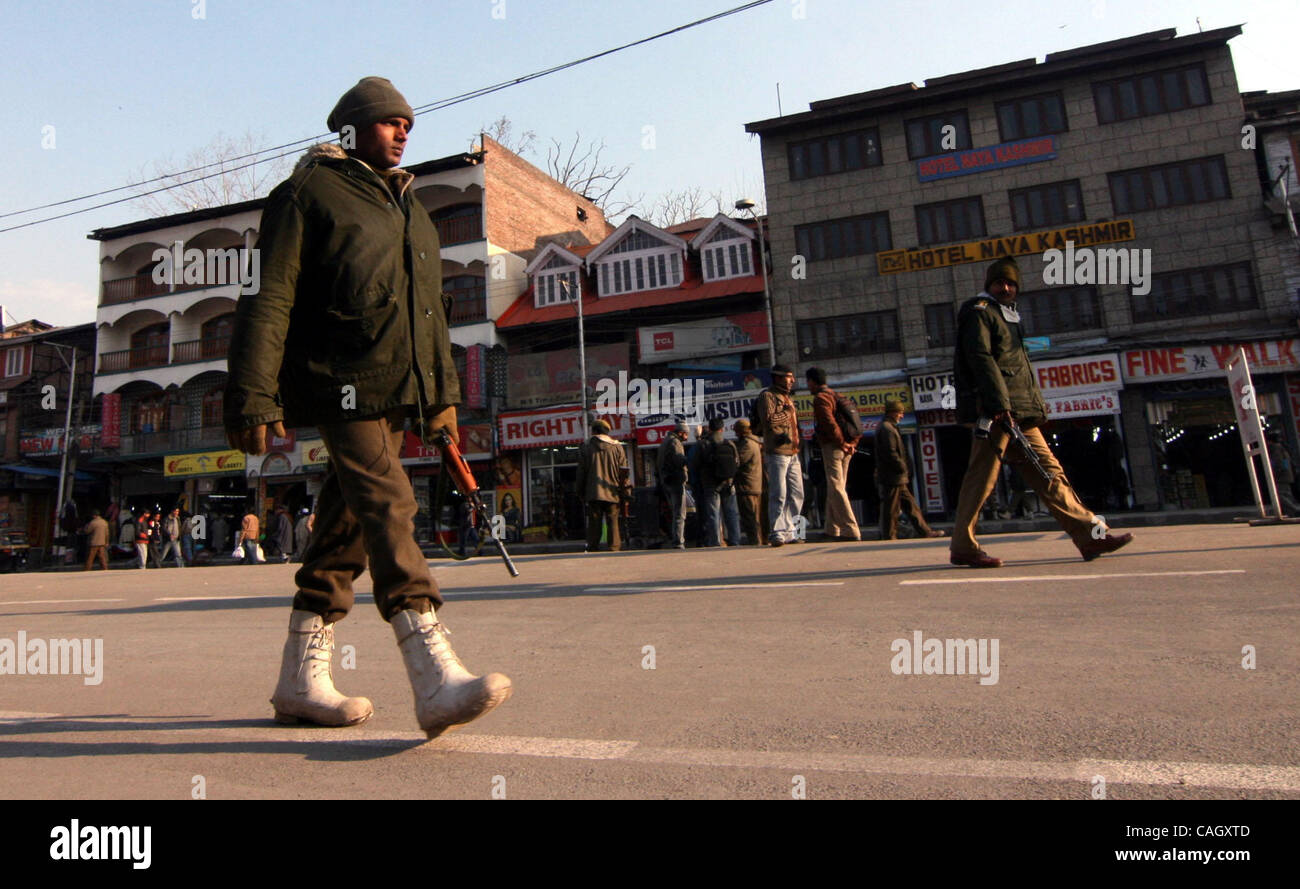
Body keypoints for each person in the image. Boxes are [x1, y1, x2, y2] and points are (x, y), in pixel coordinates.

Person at [225, 77, 510, 735]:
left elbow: (429, 315)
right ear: (352, 129)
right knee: (389, 500)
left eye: (409, 121)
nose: (404, 130)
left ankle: (299, 678)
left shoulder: (411, 209)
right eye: (389, 121)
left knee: (346, 520)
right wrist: (252, 394)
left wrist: (441, 403)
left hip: (393, 387)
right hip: (335, 378)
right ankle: (433, 673)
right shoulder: (308, 194)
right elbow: (266, 297)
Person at [949, 257, 1131, 567]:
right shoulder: (978, 312)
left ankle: (1091, 537)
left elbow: (1018, 369)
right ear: (988, 285)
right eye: (999, 283)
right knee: (982, 479)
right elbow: (980, 358)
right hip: (996, 412)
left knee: (1050, 473)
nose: (1005, 287)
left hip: (1019, 412)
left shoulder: (1009, 316)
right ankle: (963, 546)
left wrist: (1033, 407)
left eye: (1010, 283)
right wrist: (999, 405)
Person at [875, 400, 943, 540]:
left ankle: (925, 531)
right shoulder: (887, 429)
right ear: (893, 413)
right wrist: (902, 467)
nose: (901, 416)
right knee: (891, 508)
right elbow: (891, 453)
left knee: (910, 505)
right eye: (900, 413)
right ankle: (889, 535)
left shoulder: (889, 427)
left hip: (897, 476)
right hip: (892, 476)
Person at [752, 364, 804, 546]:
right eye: (788, 377)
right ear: (778, 378)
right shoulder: (768, 396)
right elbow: (768, 421)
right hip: (777, 452)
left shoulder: (787, 397)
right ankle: (776, 532)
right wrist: (787, 413)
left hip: (793, 452)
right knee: (778, 493)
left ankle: (794, 532)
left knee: (798, 493)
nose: (792, 381)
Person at [807, 367, 861, 541]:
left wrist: (842, 443)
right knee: (836, 486)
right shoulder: (838, 396)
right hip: (847, 448)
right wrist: (851, 444)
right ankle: (832, 528)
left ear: (812, 382)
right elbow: (855, 422)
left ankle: (850, 529)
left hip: (834, 447)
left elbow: (829, 424)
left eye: (808, 382)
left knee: (836, 486)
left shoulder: (821, 399)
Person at [574, 419, 627, 552]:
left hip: (593, 492)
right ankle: (614, 547)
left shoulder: (586, 447)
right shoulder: (617, 447)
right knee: (613, 521)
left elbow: (581, 472)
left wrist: (580, 492)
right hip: (613, 490)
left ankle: (593, 547)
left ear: (594, 431)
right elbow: (624, 472)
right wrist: (625, 491)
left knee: (594, 522)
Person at [697, 416, 742, 547]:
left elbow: (696, 464)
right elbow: (737, 463)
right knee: (732, 513)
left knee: (713, 514)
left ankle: (715, 541)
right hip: (728, 482)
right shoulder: (730, 444)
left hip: (710, 484)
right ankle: (735, 540)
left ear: (710, 429)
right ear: (722, 429)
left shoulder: (704, 444)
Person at [656, 421, 689, 549]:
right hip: (675, 481)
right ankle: (678, 541)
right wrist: (688, 460)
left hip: (667, 481)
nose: (686, 438)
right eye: (686, 434)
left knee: (675, 512)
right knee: (680, 513)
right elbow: (679, 460)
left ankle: (676, 539)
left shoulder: (665, 441)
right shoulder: (675, 442)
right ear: (681, 433)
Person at [732, 418, 765, 545]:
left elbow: (738, 461)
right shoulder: (755, 442)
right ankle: (758, 540)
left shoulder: (747, 444)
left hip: (747, 486)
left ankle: (755, 541)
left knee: (750, 517)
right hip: (754, 484)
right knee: (755, 516)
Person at [1266, 429, 1300, 516]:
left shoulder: (1275, 448)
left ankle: (1295, 510)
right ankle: (1290, 512)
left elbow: (1278, 463)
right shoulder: (1282, 447)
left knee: (1280, 495)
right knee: (1286, 494)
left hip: (1281, 476)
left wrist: (1274, 474)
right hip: (1287, 475)